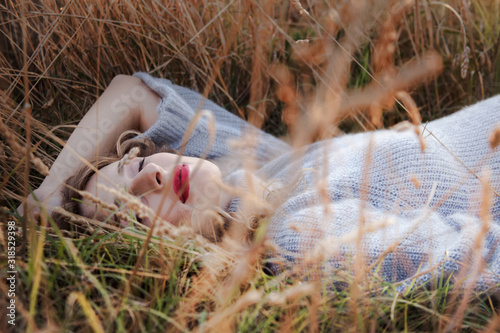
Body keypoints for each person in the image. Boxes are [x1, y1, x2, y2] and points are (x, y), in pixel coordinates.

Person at [21, 72, 500, 290]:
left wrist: (46, 197)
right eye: (132, 211)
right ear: (164, 257)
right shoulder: (296, 238)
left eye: (131, 166)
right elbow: (480, 254)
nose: (152, 177)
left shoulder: (243, 163)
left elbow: (132, 90)